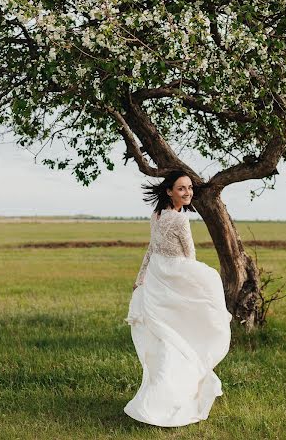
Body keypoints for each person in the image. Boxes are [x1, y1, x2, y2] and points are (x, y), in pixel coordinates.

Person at [123, 170, 232, 427]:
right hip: (167, 276)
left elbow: (154, 251)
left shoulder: (158, 215)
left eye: (190, 188)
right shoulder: (175, 219)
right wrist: (143, 278)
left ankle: (165, 394)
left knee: (167, 338)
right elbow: (187, 255)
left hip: (162, 275)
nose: (188, 193)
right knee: (171, 335)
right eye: (182, 188)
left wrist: (143, 277)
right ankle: (166, 395)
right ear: (169, 191)